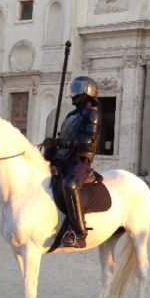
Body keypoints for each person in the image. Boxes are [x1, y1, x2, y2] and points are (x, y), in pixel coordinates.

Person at [43, 76, 103, 249]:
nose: (73, 94)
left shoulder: (93, 113)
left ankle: (79, 232)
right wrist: (51, 147)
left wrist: (61, 143)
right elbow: (63, 137)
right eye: (73, 90)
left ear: (87, 92)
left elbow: (87, 142)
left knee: (69, 184)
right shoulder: (71, 115)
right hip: (63, 158)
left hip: (79, 162)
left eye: (77, 90)